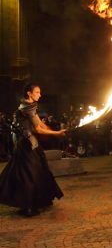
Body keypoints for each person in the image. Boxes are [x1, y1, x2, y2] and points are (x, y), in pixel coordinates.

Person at [0, 84, 66, 217]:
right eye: (37, 92)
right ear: (29, 93)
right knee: (29, 174)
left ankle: (40, 200)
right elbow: (38, 129)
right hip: (27, 145)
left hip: (28, 144)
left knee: (37, 171)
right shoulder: (28, 107)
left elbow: (40, 123)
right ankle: (29, 206)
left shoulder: (27, 106)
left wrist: (54, 131)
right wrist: (56, 133)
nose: (39, 94)